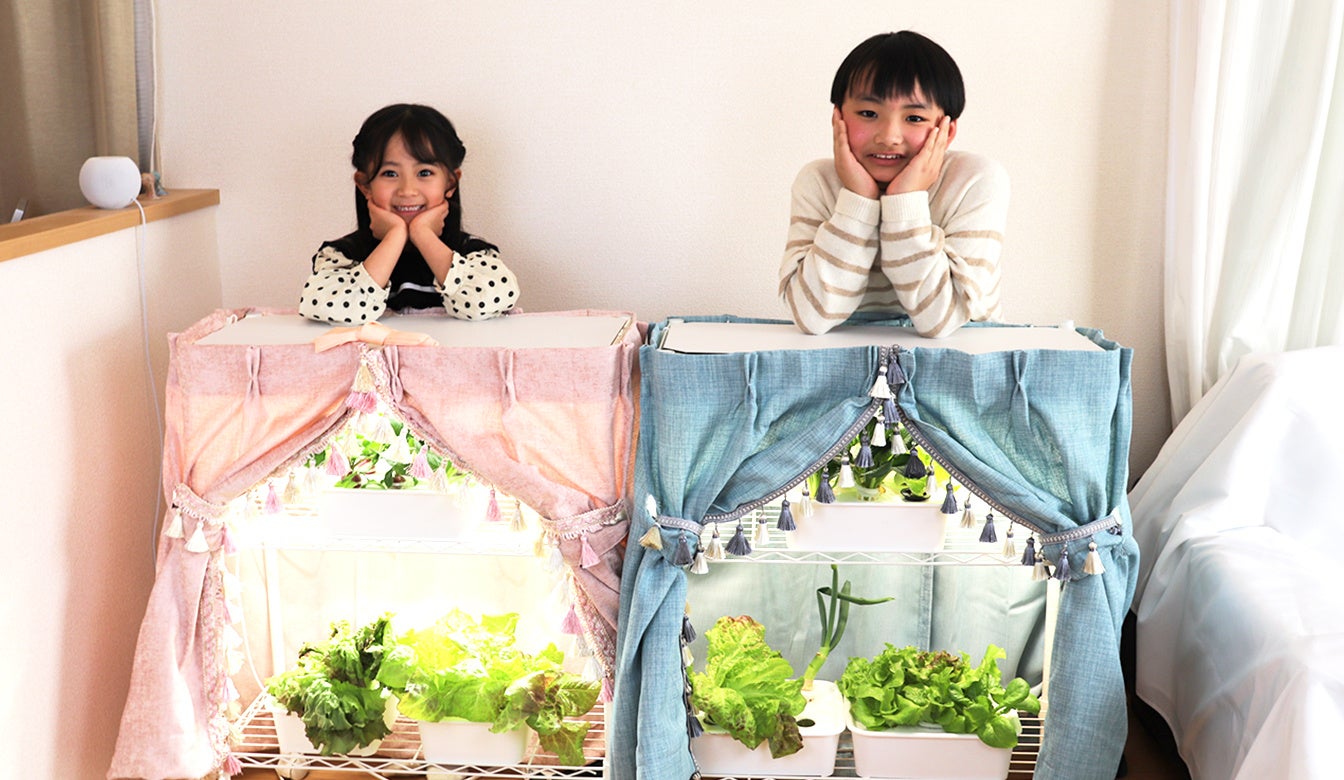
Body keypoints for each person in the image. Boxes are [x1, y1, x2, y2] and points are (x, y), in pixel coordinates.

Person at [779, 31, 1008, 337]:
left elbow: (941, 321)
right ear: (838, 118)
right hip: (849, 357)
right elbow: (812, 317)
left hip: (963, 356)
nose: (888, 136)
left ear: (947, 130)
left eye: (914, 118)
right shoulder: (818, 181)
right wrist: (859, 199)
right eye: (868, 113)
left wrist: (905, 199)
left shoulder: (975, 180)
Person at [299, 103, 519, 325]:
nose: (407, 190)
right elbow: (332, 309)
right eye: (390, 173)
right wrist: (395, 235)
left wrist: (422, 234)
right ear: (365, 185)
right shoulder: (343, 255)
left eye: (424, 172)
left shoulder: (472, 254)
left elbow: (486, 303)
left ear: (450, 182)